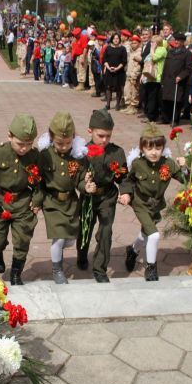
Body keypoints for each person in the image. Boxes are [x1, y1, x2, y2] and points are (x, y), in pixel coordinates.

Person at [0, 114, 42, 285]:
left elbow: (40, 181)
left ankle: (15, 273)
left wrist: (37, 199)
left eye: (29, 144)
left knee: (22, 239)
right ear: (10, 136)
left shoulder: (34, 156)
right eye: (20, 144)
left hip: (22, 202)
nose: (24, 148)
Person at [119, 123, 186, 281]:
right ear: (142, 148)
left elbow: (185, 180)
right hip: (140, 203)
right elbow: (128, 181)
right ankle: (151, 269)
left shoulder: (168, 164)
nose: (154, 152)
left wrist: (184, 168)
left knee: (145, 234)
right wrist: (126, 194)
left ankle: (133, 251)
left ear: (163, 147)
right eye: (149, 148)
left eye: (157, 148)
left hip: (155, 205)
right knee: (154, 235)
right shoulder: (137, 164)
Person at [38, 111, 93, 284]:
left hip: (71, 202)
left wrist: (87, 187)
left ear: (74, 137)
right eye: (59, 143)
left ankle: (59, 254)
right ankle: (57, 270)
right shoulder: (44, 155)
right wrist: (36, 201)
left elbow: (80, 181)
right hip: (51, 202)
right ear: (51, 136)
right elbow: (38, 179)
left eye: (68, 143)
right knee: (59, 237)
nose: (63, 146)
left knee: (69, 239)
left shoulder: (78, 157)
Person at [76, 109, 127, 282]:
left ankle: (100, 269)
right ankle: (82, 255)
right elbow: (76, 178)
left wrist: (126, 192)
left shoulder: (117, 152)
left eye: (108, 136)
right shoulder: (82, 152)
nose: (104, 140)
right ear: (90, 131)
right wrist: (84, 185)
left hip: (108, 196)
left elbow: (123, 177)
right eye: (100, 135)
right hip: (88, 198)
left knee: (106, 232)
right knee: (85, 229)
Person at [160, 32, 192, 125]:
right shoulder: (170, 51)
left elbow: (188, 68)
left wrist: (181, 76)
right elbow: (165, 66)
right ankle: (166, 118)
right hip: (168, 80)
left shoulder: (187, 54)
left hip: (178, 81)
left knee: (176, 101)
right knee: (166, 100)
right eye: (176, 40)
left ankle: (175, 119)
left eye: (179, 40)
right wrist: (163, 79)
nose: (177, 42)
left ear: (183, 42)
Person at [142, 35, 167, 122]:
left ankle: (152, 116)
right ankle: (151, 115)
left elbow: (154, 58)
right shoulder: (154, 49)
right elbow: (147, 60)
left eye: (153, 42)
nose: (151, 44)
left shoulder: (162, 50)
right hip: (150, 77)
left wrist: (152, 49)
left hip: (157, 77)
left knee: (155, 98)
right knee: (150, 97)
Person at [103, 33, 127, 110]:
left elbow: (124, 61)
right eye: (114, 38)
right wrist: (108, 67)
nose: (116, 40)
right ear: (112, 39)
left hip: (119, 71)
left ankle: (117, 104)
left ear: (119, 39)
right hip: (109, 71)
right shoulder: (108, 48)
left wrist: (117, 68)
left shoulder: (123, 49)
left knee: (118, 88)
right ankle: (108, 104)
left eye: (117, 38)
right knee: (108, 87)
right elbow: (105, 59)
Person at [122, 35, 143, 115]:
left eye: (135, 43)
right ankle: (128, 106)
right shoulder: (131, 52)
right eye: (132, 43)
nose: (133, 44)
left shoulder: (139, 52)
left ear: (138, 43)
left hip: (134, 75)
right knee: (127, 90)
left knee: (134, 91)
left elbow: (138, 66)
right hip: (128, 73)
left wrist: (134, 75)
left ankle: (133, 107)